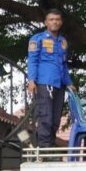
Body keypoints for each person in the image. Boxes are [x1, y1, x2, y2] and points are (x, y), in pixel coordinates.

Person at [26, 9, 75, 150]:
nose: (55, 22)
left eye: (57, 19)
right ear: (46, 22)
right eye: (51, 19)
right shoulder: (37, 39)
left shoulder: (63, 42)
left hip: (59, 85)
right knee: (45, 117)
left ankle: (50, 148)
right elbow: (32, 60)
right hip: (44, 83)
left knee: (55, 120)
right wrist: (31, 80)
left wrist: (69, 83)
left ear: (61, 22)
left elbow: (63, 65)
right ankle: (44, 148)